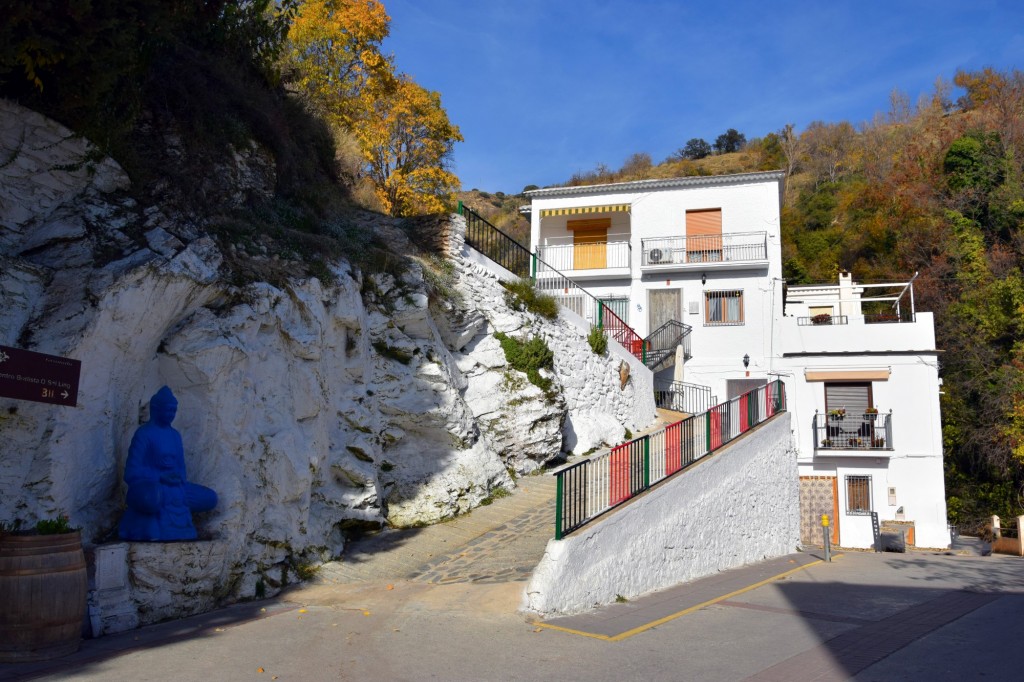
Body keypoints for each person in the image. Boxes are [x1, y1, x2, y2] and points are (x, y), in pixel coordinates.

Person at [118, 387, 217, 541]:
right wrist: (160, 476)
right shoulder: (144, 434)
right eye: (168, 410)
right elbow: (131, 472)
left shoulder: (175, 435)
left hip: (175, 488)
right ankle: (147, 525)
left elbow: (181, 469)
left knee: (210, 498)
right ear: (155, 409)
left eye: (173, 411)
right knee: (154, 498)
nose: (171, 415)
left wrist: (178, 478)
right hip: (150, 488)